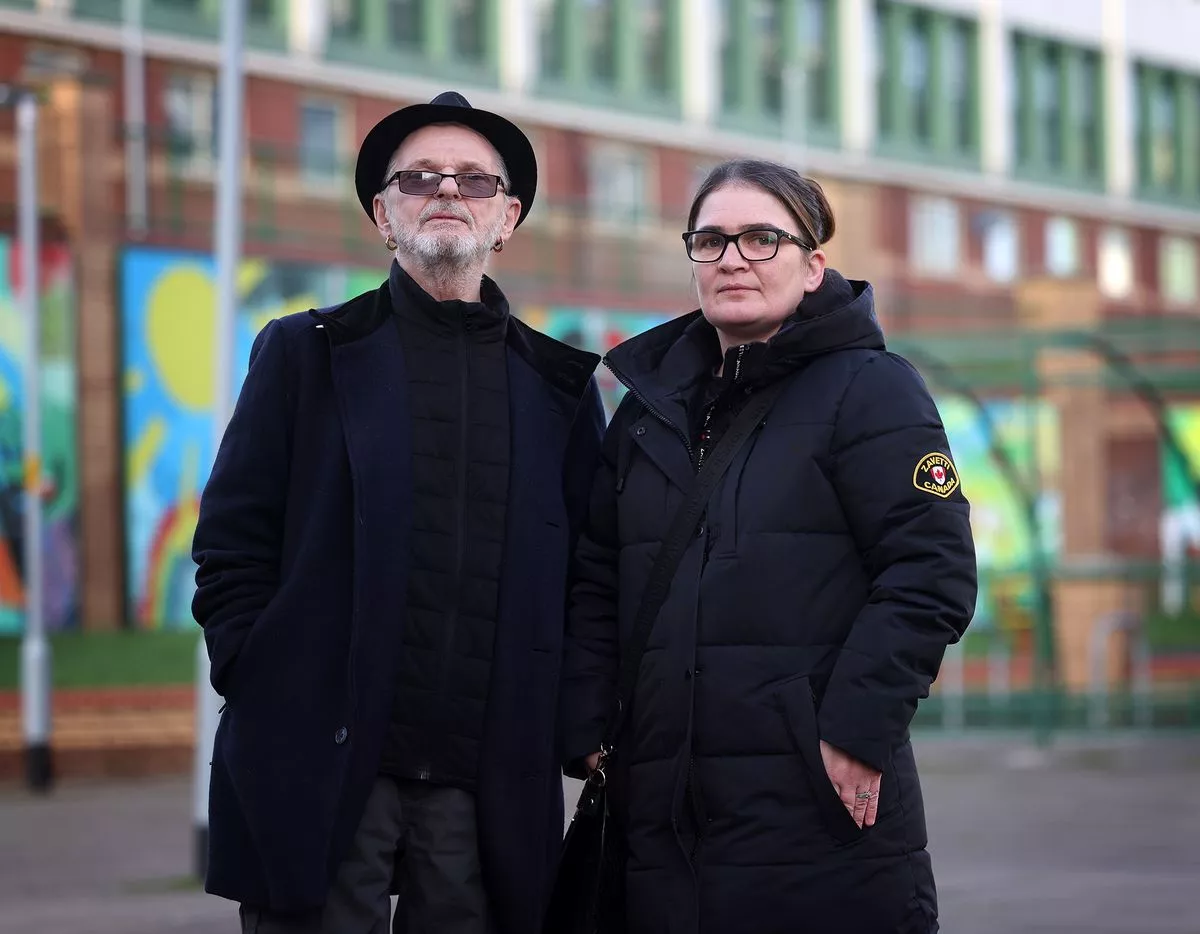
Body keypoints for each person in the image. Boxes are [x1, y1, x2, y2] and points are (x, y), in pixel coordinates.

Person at [192, 91, 605, 934]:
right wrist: (259, 671)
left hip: (483, 781)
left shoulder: (558, 390)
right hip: (324, 761)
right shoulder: (304, 353)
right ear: (383, 215)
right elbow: (232, 544)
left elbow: (589, 577)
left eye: (473, 181)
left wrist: (577, 722)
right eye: (419, 178)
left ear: (508, 217)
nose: (446, 192)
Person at [558, 159, 977, 934]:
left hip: (810, 796)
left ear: (814, 264)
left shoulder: (872, 390)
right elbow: (596, 575)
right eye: (711, 240)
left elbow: (930, 572)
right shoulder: (646, 410)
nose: (733, 259)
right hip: (659, 802)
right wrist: (587, 724)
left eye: (761, 238)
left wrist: (857, 728)